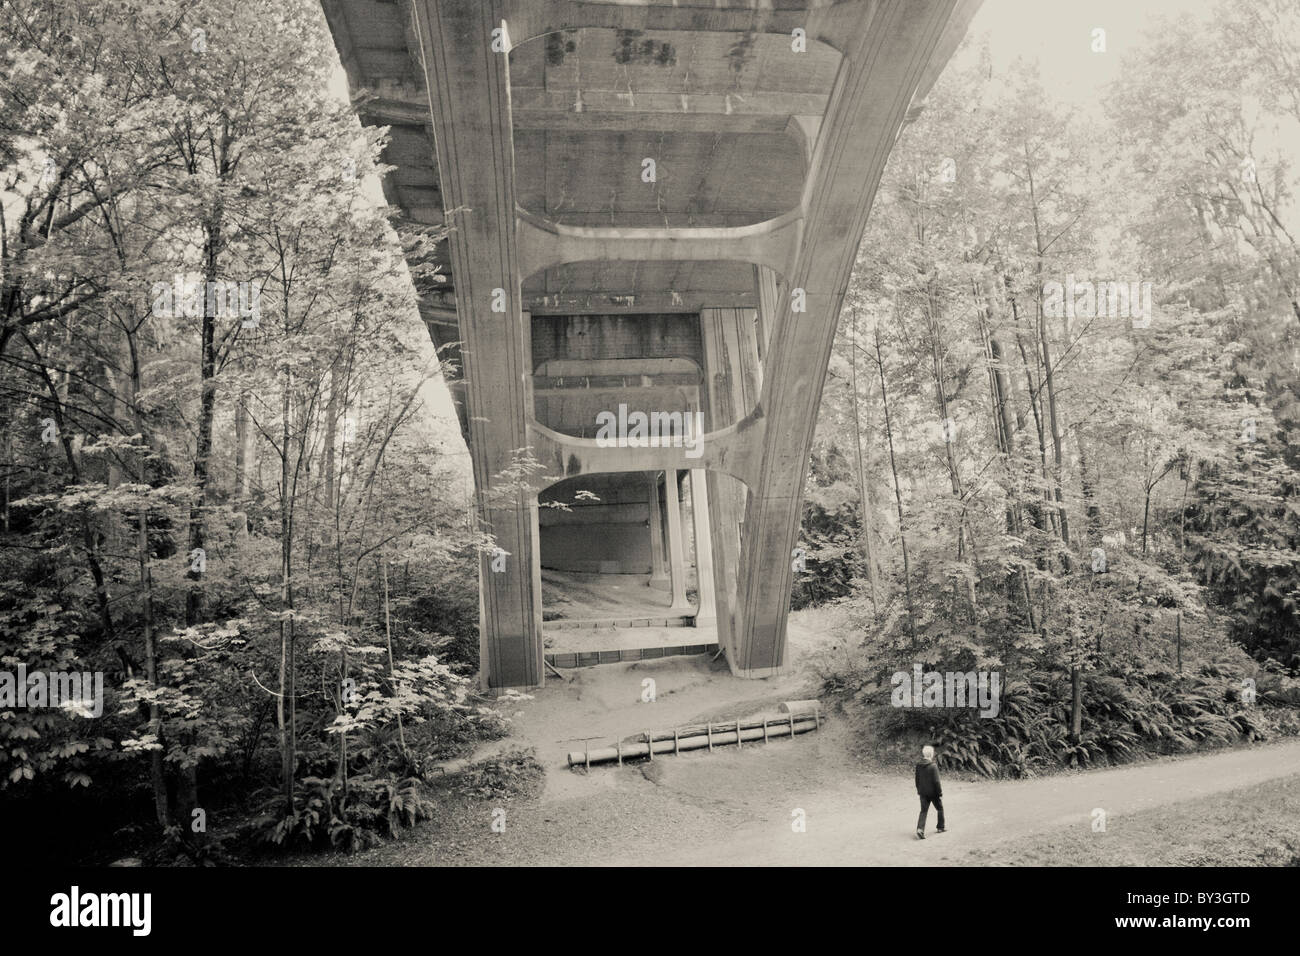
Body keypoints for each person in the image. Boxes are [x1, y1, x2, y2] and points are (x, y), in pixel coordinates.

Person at [915, 744, 945, 839]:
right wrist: (939, 793)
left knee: (923, 811)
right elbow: (936, 781)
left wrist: (919, 789)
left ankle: (920, 829)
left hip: (923, 793)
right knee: (940, 808)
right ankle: (940, 827)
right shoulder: (933, 766)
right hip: (933, 793)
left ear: (923, 754)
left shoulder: (918, 765)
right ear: (931, 754)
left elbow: (917, 779)